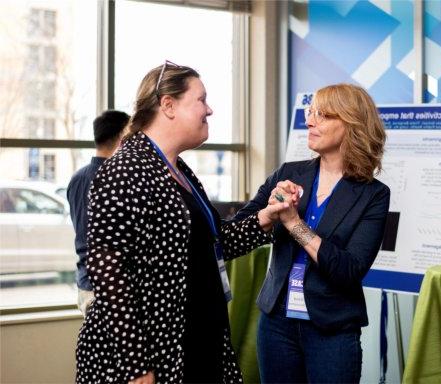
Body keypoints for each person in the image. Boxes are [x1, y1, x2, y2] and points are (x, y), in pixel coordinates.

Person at [75, 61, 288, 384]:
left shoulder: (179, 171)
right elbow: (108, 270)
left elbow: (213, 245)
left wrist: (265, 218)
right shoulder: (125, 170)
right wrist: (136, 366)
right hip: (151, 357)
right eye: (201, 99)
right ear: (168, 105)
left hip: (196, 343)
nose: (210, 109)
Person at [235, 83, 391, 383]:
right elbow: (236, 230)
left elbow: (348, 270)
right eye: (311, 112)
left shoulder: (373, 195)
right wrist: (269, 212)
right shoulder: (288, 175)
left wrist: (294, 223)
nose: (309, 121)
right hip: (276, 323)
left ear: (351, 124)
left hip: (331, 330)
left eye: (322, 115)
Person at [66, 109, 130, 316]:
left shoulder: (77, 178)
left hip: (86, 284)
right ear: (122, 135)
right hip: (110, 288)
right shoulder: (116, 179)